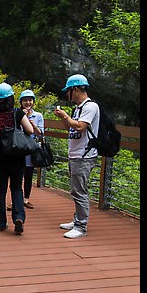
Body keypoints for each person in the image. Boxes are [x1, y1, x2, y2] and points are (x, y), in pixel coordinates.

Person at [0, 83, 34, 235]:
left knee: (0, 190)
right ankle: (18, 218)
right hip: (16, 157)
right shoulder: (17, 113)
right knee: (17, 188)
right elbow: (29, 130)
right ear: (11, 98)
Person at [54, 74, 99, 239]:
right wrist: (64, 118)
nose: (67, 95)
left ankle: (81, 226)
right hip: (75, 154)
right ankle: (77, 219)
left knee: (80, 191)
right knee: (76, 190)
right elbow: (71, 129)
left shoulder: (90, 107)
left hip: (84, 155)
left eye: (68, 91)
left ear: (75, 89)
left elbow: (80, 127)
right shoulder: (79, 108)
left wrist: (66, 116)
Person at [19, 90, 44, 209]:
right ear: (21, 102)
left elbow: (40, 134)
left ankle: (26, 199)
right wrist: (21, 117)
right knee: (17, 174)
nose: (28, 102)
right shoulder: (17, 113)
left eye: (30, 100)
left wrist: (33, 125)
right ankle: (16, 199)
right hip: (18, 147)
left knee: (28, 174)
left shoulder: (38, 116)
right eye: (25, 100)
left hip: (30, 148)